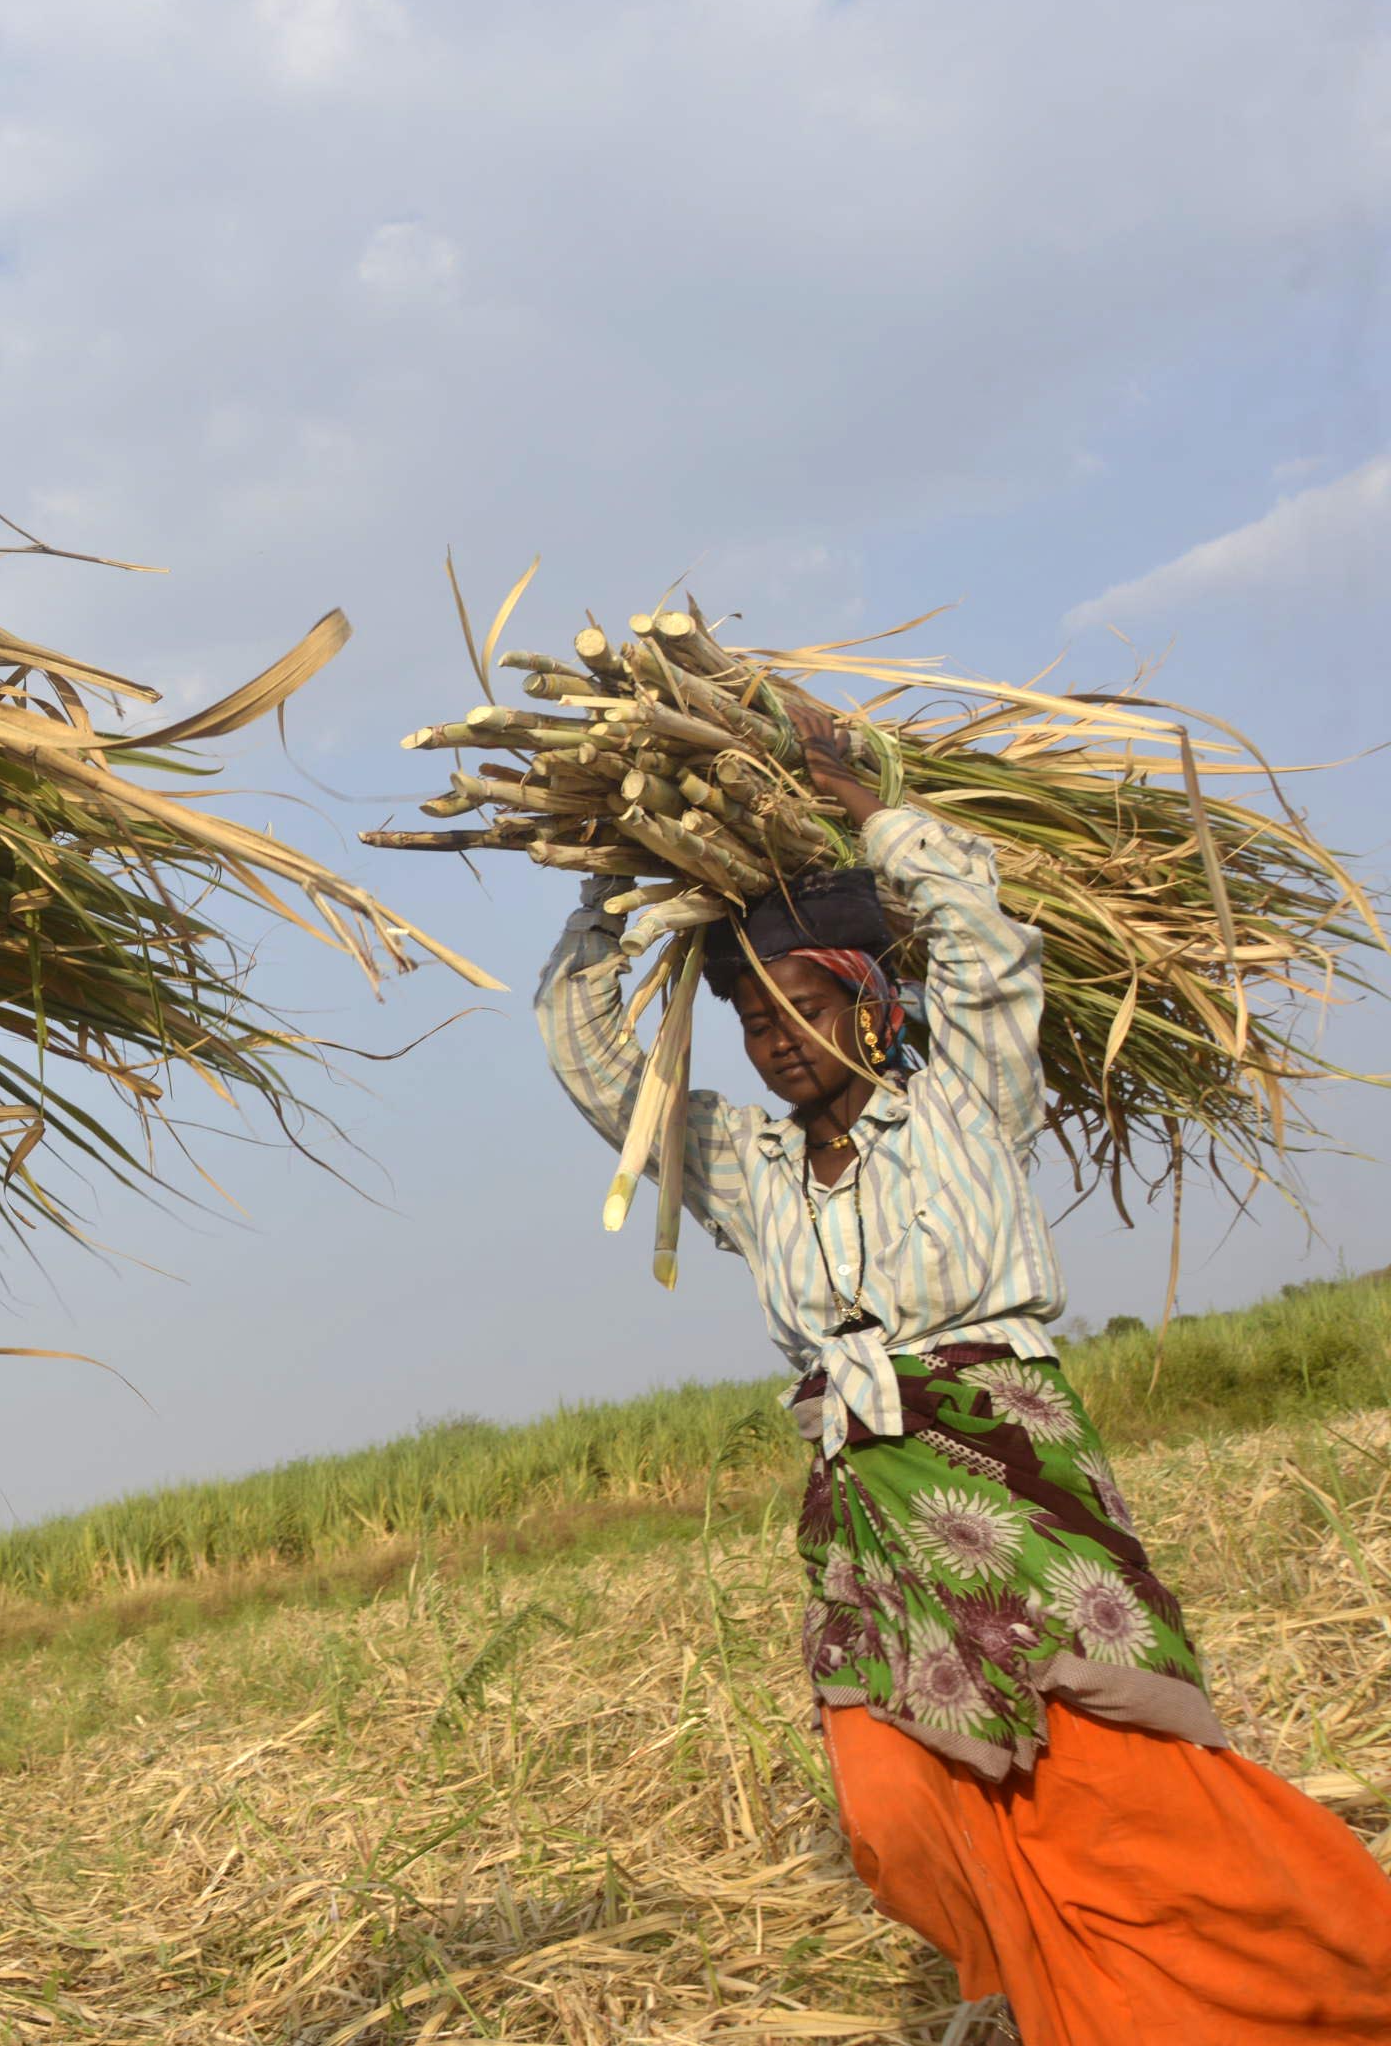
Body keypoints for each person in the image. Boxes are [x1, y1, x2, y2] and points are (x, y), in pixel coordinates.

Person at [538, 705, 1391, 2042]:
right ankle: (1028, 1989)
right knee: (891, 1804)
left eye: (801, 1007)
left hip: (1010, 1479)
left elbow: (988, 951)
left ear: (872, 1006)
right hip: (869, 1507)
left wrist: (874, 812)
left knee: (1117, 1793)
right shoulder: (753, 1180)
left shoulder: (962, 1106)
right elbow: (602, 1073)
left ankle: (1328, 1978)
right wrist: (607, 888)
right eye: (755, 1020)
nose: (773, 1040)